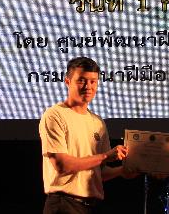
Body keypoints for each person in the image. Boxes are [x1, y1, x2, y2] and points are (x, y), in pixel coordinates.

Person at [39, 56, 135, 214]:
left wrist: (121, 171)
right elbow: (62, 165)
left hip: (91, 206)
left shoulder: (97, 122)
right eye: (81, 81)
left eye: (93, 81)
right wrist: (105, 156)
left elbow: (98, 172)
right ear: (67, 81)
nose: (88, 87)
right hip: (64, 204)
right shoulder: (55, 115)